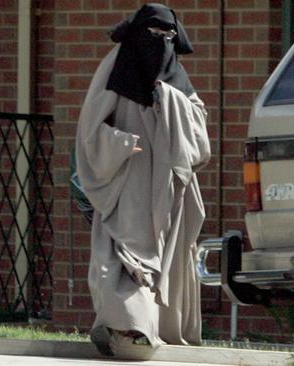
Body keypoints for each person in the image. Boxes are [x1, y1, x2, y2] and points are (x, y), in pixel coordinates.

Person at [74, 3, 211, 356]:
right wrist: (121, 144)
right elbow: (90, 129)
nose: (160, 43)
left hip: (166, 184)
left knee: (164, 257)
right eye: (152, 35)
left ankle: (153, 327)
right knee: (123, 255)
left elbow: (198, 123)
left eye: (168, 36)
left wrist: (169, 102)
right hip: (127, 181)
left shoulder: (176, 76)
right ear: (136, 35)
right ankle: (127, 327)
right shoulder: (116, 67)